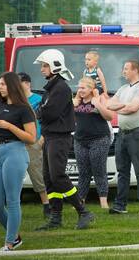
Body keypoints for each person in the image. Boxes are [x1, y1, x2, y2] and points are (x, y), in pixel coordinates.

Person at [34, 49, 94, 231]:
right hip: (51, 137)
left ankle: (83, 212)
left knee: (58, 176)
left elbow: (49, 113)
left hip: (59, 138)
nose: (42, 69)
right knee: (49, 178)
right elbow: (44, 111)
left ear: (54, 66)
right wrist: (40, 112)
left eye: (45, 65)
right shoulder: (52, 87)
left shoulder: (60, 88)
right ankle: (55, 218)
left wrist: (39, 112)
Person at [0, 72, 36, 251]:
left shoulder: (24, 109)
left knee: (12, 200)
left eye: (2, 84)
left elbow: (31, 138)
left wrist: (9, 126)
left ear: (11, 86)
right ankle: (15, 237)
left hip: (15, 152)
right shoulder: (0, 106)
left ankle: (10, 243)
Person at [107, 60, 139, 215]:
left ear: (135, 70)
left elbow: (133, 108)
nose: (123, 71)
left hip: (136, 134)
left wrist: (120, 107)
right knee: (123, 171)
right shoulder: (123, 88)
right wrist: (124, 106)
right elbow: (108, 105)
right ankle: (120, 205)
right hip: (122, 134)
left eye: (126, 68)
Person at [73, 77, 113, 209]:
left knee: (99, 170)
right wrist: (74, 103)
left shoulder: (99, 99)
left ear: (91, 89)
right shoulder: (76, 101)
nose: (80, 90)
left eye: (83, 88)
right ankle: (81, 201)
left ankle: (103, 201)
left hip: (99, 139)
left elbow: (109, 116)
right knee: (83, 172)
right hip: (80, 140)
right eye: (79, 88)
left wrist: (97, 103)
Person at [18, 72, 50, 219]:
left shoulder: (39, 99)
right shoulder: (14, 101)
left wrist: (42, 138)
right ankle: (14, 206)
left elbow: (47, 120)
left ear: (27, 83)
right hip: (17, 143)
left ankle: (47, 206)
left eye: (19, 83)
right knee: (15, 176)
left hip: (34, 142)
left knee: (38, 175)